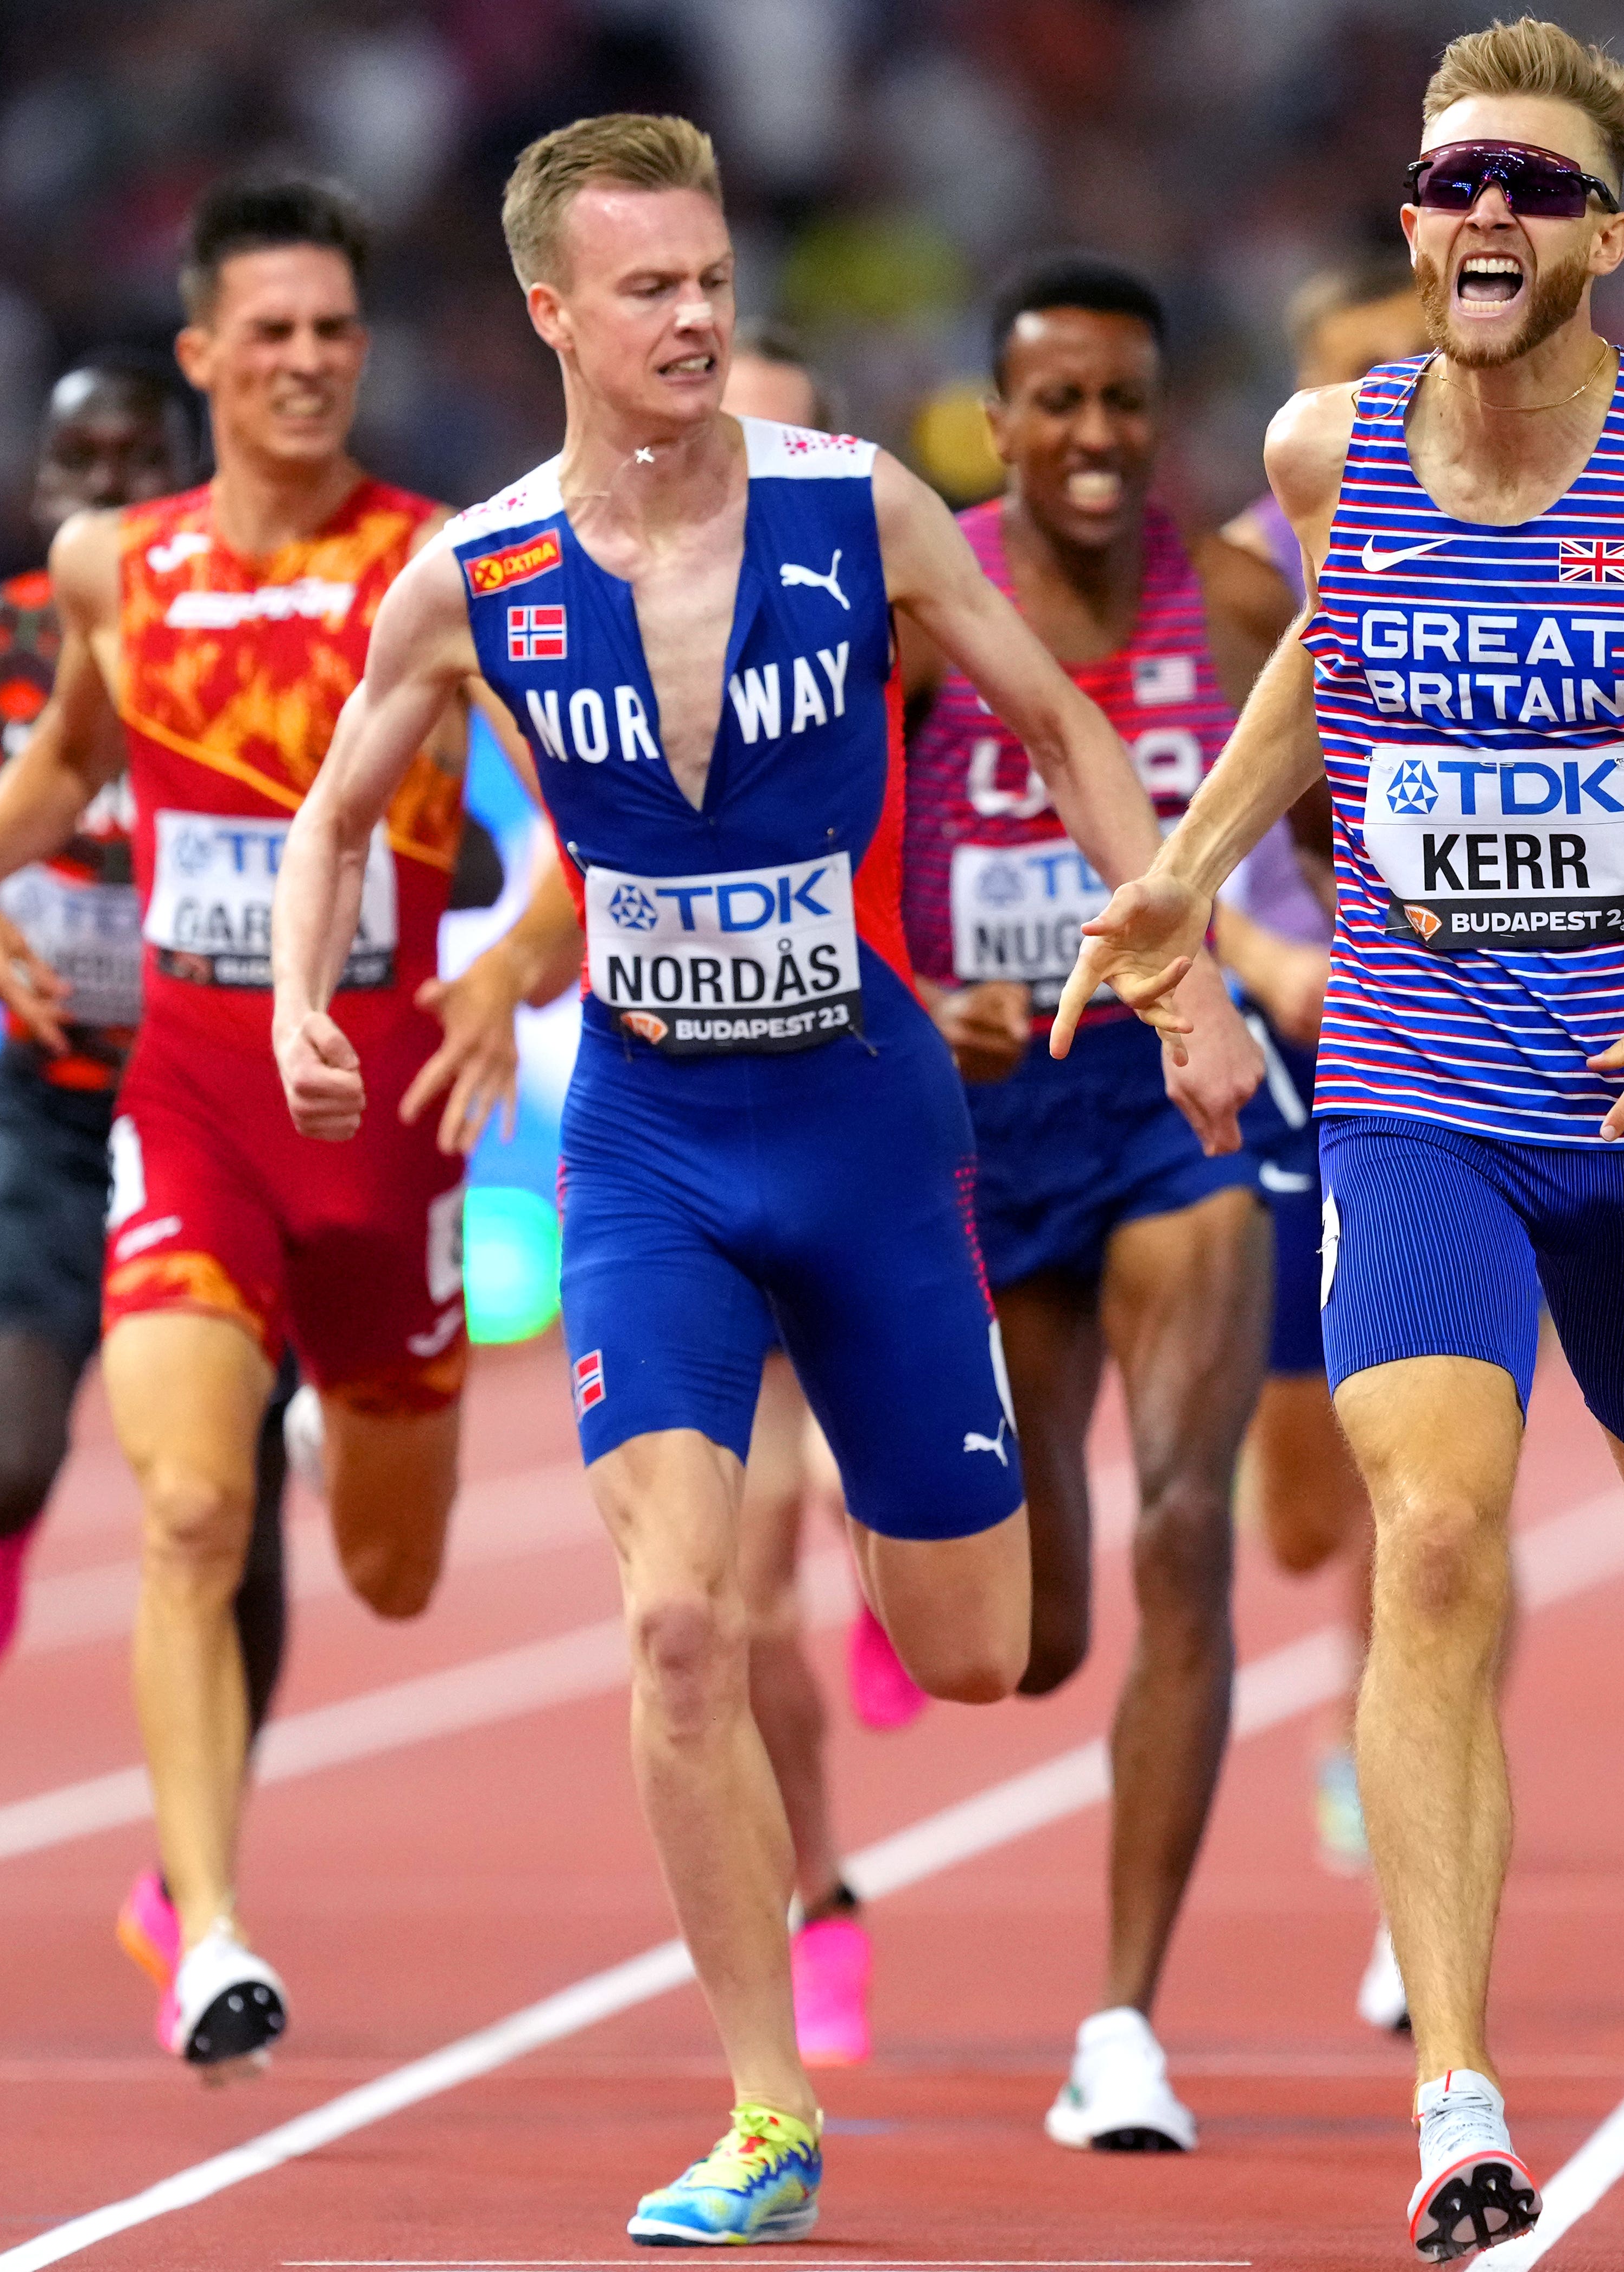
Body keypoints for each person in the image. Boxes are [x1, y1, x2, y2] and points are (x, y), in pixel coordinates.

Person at [268, 114, 1252, 2245]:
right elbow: (340, 801)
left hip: (871, 1119)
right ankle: (767, 2107)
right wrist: (295, 997)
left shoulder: (860, 508)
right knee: (685, 1624)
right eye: (650, 286)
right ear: (552, 312)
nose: (699, 314)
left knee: (984, 1646)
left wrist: (1167, 956)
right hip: (643, 1138)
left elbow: (1073, 728)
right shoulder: (482, 568)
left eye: (712, 277)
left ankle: (927, 1585)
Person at [1055, 19, 1624, 2257]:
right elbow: (1318, 669)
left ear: (1608, 234)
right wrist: (1187, 863)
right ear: (1411, 221)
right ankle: (1455, 2091)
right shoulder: (1328, 447)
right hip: (1419, 1090)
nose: (1490, 218)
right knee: (1428, 1539)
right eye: (1455, 184)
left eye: (1537, 187)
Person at [0, 179, 538, 2078]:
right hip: (192, 1104)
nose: (303, 362)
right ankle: (208, 1930)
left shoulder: (446, 561)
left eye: (332, 332)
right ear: (199, 354)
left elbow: (583, 819)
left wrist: (515, 960)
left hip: (390, 1135)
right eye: (266, 332)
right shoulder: (124, 560)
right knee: (188, 1506)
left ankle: (330, 1380)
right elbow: (67, 760)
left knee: (393, 1565)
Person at [895, 252, 1296, 2150]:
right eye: (1054, 401)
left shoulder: (1225, 606)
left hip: (1169, 1111)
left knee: (1186, 1524)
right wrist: (908, 1002)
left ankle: (1121, 2018)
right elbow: (821, 839)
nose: (1090, 436)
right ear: (998, 421)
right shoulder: (919, 600)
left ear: (1161, 419)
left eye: (1122, 402)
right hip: (986, 1130)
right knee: (1031, 1632)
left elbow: (1329, 839)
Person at [0, 363, 313, 1721]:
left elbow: (416, 843)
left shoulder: (266, 645)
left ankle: (203, 1866)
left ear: (193, 481)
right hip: (55, 1106)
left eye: (136, 462)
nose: (104, 491)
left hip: (218, 1116)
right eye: (76, 465)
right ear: (38, 487)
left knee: (235, 1499)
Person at [1219, 254, 1434, 2031]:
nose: (1393, 398)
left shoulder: (1510, 538)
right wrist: (1274, 955)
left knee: (1421, 1465)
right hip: (1288, 1027)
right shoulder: (1235, 572)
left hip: (1440, 1052)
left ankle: (1399, 1752)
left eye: (1411, 366)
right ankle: (1347, 1678)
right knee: (1297, 1504)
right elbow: (1159, 819)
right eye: (1354, 376)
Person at [713, 317, 916, 2074]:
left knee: (920, 1544)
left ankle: (904, 1546)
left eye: (788, 453)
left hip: (890, 1107)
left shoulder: (898, 625)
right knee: (730, 1582)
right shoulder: (631, 641)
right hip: (707, 1130)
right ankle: (823, 1887)